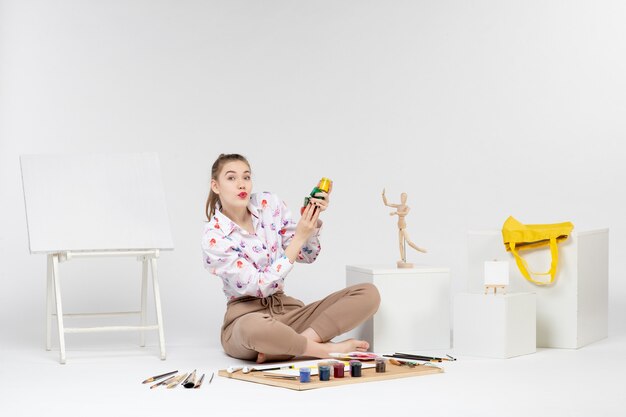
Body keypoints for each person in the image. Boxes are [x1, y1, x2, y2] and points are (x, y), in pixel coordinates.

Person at [202, 153, 380, 363]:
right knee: (254, 329)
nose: (241, 184)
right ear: (216, 186)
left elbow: (307, 254)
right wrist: (299, 237)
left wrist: (310, 222)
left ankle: (295, 345)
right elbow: (259, 286)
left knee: (368, 293)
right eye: (231, 178)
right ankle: (325, 350)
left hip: (288, 311)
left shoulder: (269, 204)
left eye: (246, 177)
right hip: (246, 318)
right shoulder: (214, 235)